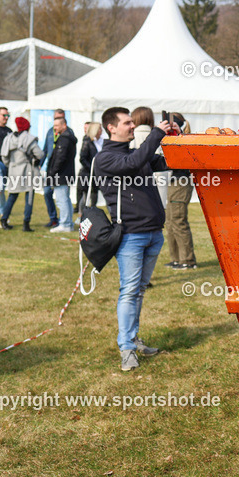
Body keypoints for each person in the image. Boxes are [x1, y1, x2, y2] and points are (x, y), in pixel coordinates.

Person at [94, 106, 176, 371]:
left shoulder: (134, 153)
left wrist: (177, 139)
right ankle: (127, 349)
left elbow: (166, 163)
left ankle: (133, 338)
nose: (132, 126)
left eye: (132, 122)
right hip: (131, 237)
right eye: (127, 123)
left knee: (138, 291)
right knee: (129, 292)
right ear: (111, 128)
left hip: (154, 234)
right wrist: (155, 134)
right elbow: (133, 164)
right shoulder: (105, 158)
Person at [164, 113, 198, 270]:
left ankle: (188, 260)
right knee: (170, 221)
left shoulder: (184, 140)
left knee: (178, 220)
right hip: (174, 181)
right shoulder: (177, 139)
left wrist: (177, 135)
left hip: (181, 182)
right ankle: (177, 259)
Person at [0, 117, 44, 231]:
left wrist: (10, 165)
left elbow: (4, 157)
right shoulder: (29, 139)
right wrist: (34, 161)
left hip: (13, 170)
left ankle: (4, 219)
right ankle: (26, 223)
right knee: (29, 197)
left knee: (12, 196)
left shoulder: (8, 139)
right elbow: (40, 154)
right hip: (27, 170)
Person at [47, 115, 78, 233]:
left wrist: (52, 173)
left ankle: (65, 223)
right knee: (66, 199)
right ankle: (68, 223)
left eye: (56, 125)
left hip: (61, 175)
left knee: (62, 200)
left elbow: (60, 158)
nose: (54, 128)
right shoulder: (67, 137)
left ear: (64, 125)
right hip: (66, 173)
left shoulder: (64, 139)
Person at [40, 109, 65, 229]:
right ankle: (53, 218)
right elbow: (45, 149)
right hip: (49, 169)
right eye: (56, 118)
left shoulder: (67, 134)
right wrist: (40, 163)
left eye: (60, 118)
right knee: (47, 193)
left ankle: (64, 220)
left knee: (62, 197)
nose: (57, 120)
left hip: (61, 171)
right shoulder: (50, 132)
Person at [76, 122, 104, 213]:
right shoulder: (87, 141)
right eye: (99, 128)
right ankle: (82, 215)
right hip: (87, 173)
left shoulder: (102, 141)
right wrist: (92, 169)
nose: (101, 130)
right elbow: (82, 158)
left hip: (98, 174)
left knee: (95, 194)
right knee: (85, 196)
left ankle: (93, 213)